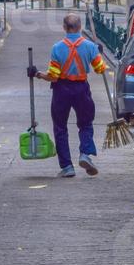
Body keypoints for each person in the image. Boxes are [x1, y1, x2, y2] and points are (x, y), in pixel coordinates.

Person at [28, 13, 106, 178]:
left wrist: (37, 74)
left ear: (64, 28)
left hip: (61, 90)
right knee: (85, 124)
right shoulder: (90, 47)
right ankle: (85, 154)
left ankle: (67, 166)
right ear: (80, 27)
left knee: (60, 127)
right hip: (82, 89)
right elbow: (100, 69)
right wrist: (99, 52)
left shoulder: (57, 48)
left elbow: (53, 76)